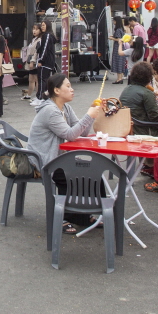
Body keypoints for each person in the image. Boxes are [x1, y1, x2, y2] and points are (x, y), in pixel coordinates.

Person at [27, 74, 104, 234]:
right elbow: (70, 134)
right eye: (68, 86)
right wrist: (89, 115)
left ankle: (83, 215)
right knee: (72, 175)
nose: (72, 89)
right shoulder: (50, 110)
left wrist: (91, 115)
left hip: (59, 157)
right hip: (43, 159)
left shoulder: (65, 108)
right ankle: (63, 216)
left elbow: (81, 132)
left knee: (93, 173)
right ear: (56, 90)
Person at [120, 62, 158, 135]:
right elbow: (154, 116)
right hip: (142, 130)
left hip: (126, 128)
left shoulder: (126, 89)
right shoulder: (147, 93)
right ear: (149, 78)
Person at [35, 20, 57, 99]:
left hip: (45, 62)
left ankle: (40, 97)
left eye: (44, 25)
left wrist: (41, 60)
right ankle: (45, 97)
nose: (42, 27)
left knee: (42, 80)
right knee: (44, 80)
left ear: (48, 26)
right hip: (48, 62)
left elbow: (45, 49)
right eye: (41, 25)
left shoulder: (47, 35)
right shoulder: (47, 35)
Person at [23, 24, 42, 99]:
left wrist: (32, 62)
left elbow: (37, 52)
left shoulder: (40, 40)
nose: (34, 31)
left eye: (36, 29)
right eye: (33, 29)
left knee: (36, 79)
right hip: (30, 60)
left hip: (35, 62)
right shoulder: (34, 39)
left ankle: (38, 96)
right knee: (31, 79)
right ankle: (29, 95)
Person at [110, 16, 127, 85]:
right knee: (121, 62)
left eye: (114, 21)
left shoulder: (117, 30)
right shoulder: (121, 29)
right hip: (122, 47)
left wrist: (112, 38)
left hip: (118, 47)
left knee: (118, 62)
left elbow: (119, 39)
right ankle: (120, 78)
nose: (113, 22)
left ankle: (119, 78)